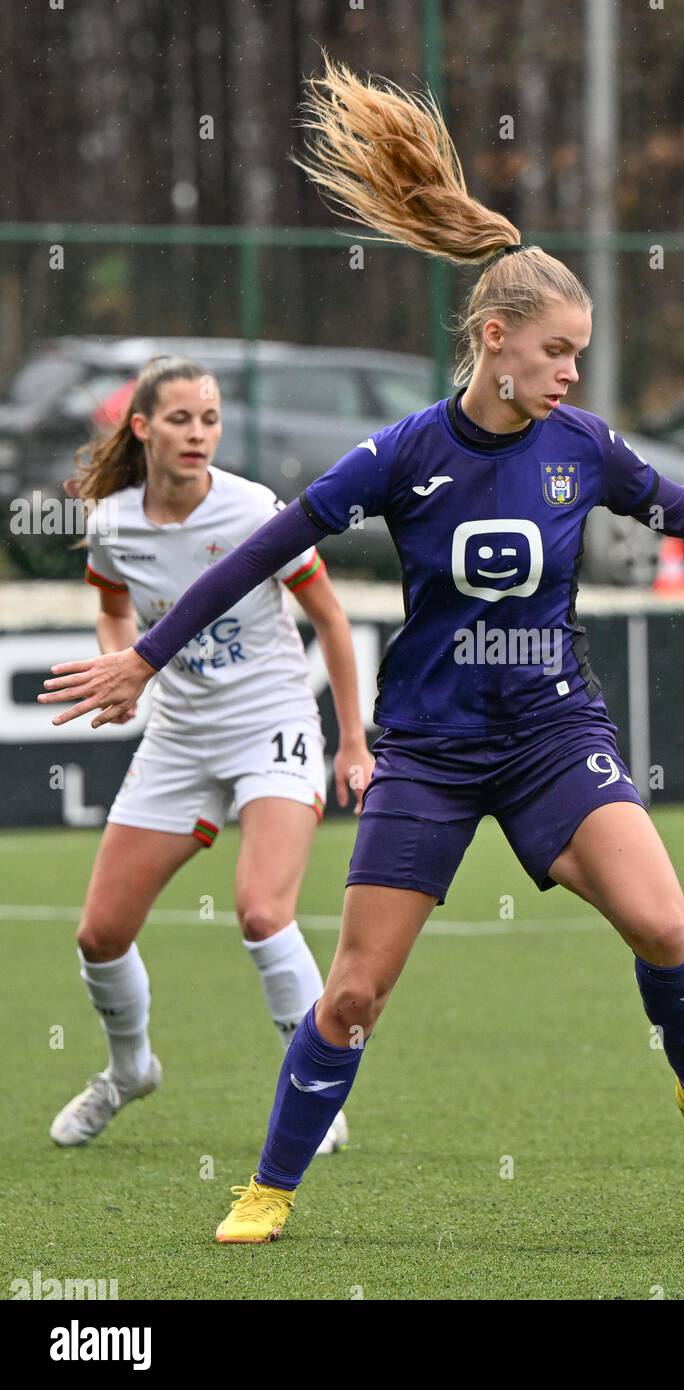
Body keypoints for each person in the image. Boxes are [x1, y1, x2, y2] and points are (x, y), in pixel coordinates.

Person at [39, 60, 684, 1244]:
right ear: (496, 341)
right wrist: (149, 651)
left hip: (556, 733)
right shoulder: (401, 452)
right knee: (352, 992)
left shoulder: (583, 445)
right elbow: (258, 552)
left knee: (665, 928)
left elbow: (682, 514)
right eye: (557, 352)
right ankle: (270, 1185)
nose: (571, 375)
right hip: (431, 750)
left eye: (581, 354)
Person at [47, 354, 373, 1160]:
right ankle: (129, 1073)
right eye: (182, 419)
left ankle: (312, 1092)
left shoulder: (255, 509)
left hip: (272, 722)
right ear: (142, 428)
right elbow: (114, 611)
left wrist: (353, 740)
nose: (199, 434)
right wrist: (123, 673)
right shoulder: (113, 521)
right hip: (181, 735)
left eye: (211, 419)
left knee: (263, 911)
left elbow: (332, 622)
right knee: (99, 935)